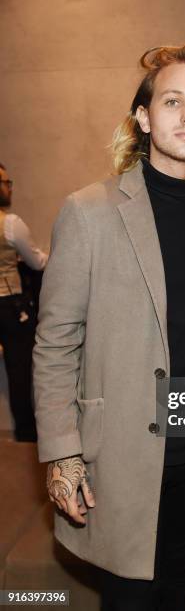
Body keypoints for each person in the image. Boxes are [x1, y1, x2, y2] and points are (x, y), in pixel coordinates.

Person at [33, 45, 185, 610]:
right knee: (128, 598)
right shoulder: (90, 211)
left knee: (176, 586)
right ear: (145, 117)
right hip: (123, 453)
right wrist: (61, 454)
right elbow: (56, 341)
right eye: (173, 102)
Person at [0, 162, 47, 441]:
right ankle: (25, 433)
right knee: (19, 370)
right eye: (5, 182)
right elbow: (36, 261)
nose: (9, 187)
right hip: (10, 304)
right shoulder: (10, 224)